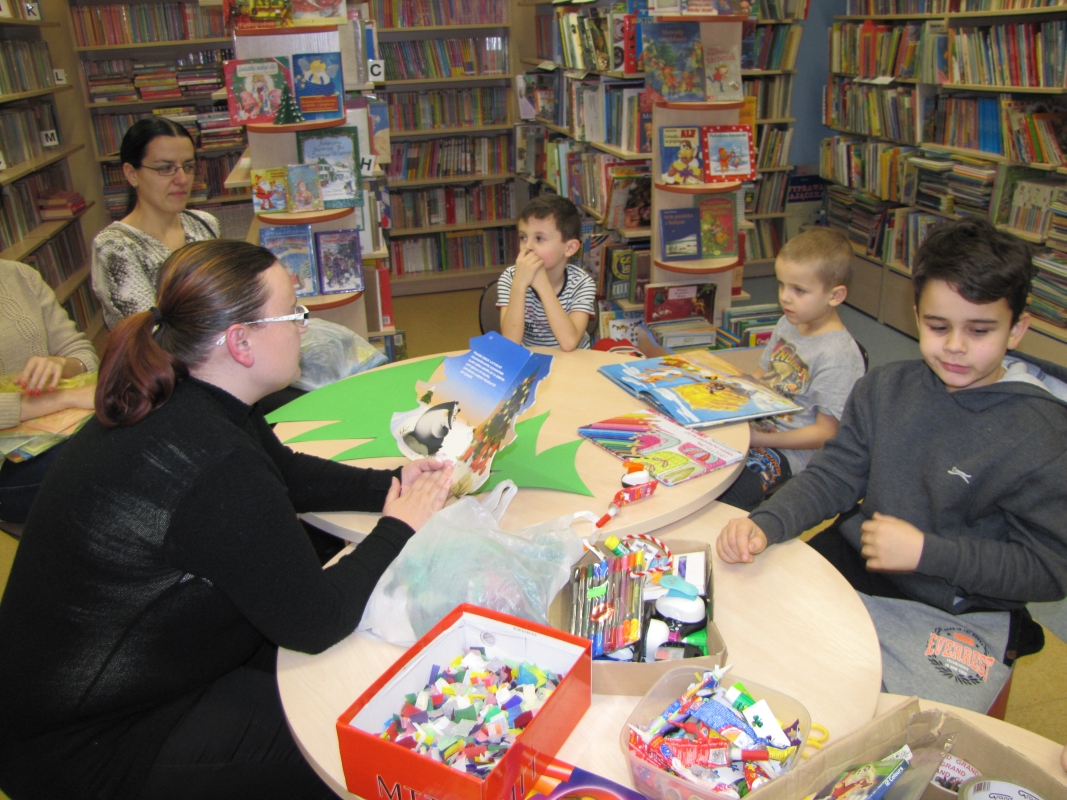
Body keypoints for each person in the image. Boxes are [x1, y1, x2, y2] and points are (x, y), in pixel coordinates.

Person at [0, 239, 453, 799]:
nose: (305, 325)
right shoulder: (213, 461)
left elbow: (284, 473)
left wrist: (391, 484)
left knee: (351, 669)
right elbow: (316, 621)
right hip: (93, 746)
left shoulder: (190, 393)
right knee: (354, 738)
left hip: (128, 680)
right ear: (240, 342)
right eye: (293, 313)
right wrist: (400, 526)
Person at [717, 217, 1067, 713]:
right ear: (917, 316)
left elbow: (1049, 570)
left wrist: (928, 553)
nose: (955, 345)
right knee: (745, 645)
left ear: (1017, 329)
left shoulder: (1042, 434)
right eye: (938, 326)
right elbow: (835, 475)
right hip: (856, 562)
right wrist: (768, 522)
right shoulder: (886, 388)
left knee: (894, 731)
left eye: (980, 330)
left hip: (961, 605)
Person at [718, 228, 865, 511]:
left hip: (789, 451)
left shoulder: (839, 356)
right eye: (782, 285)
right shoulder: (788, 323)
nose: (785, 297)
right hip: (755, 427)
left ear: (835, 295)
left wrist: (760, 439)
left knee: (728, 495)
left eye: (799, 290)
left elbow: (826, 433)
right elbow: (762, 376)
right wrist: (727, 388)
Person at [91, 117, 220, 330]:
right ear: (132, 174)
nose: (182, 179)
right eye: (166, 168)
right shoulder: (115, 247)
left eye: (188, 166)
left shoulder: (204, 224)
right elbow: (153, 333)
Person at [0, 259, 99, 523]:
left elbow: (82, 354)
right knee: (101, 460)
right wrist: (63, 397)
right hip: (9, 464)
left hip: (53, 429)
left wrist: (62, 364)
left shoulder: (20, 275)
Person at [498, 194, 596, 351]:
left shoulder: (582, 283)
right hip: (530, 357)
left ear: (570, 248)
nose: (527, 246)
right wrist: (519, 285)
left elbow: (569, 343)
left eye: (539, 238)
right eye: (523, 237)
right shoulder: (510, 278)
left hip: (573, 359)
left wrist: (543, 286)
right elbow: (510, 343)